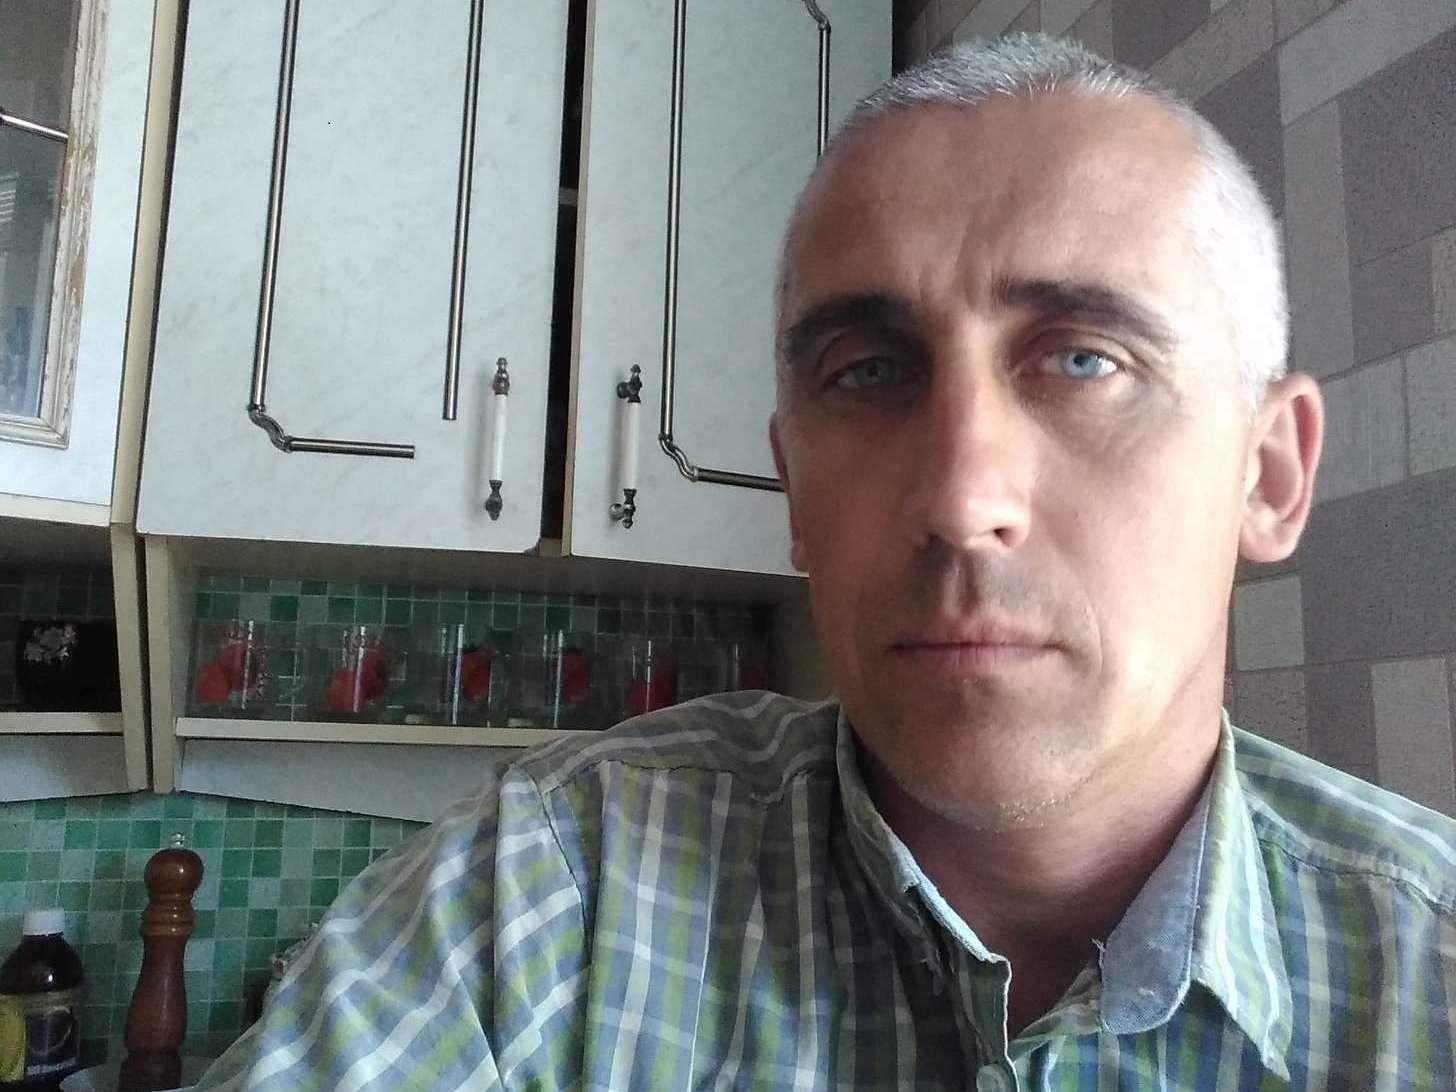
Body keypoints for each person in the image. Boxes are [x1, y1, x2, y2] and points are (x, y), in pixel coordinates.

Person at [196, 35, 1456, 1090]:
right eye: (868, 372)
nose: (961, 501)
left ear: (1269, 475)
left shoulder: (1428, 984)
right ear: (794, 492)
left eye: (1084, 360)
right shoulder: (550, 895)